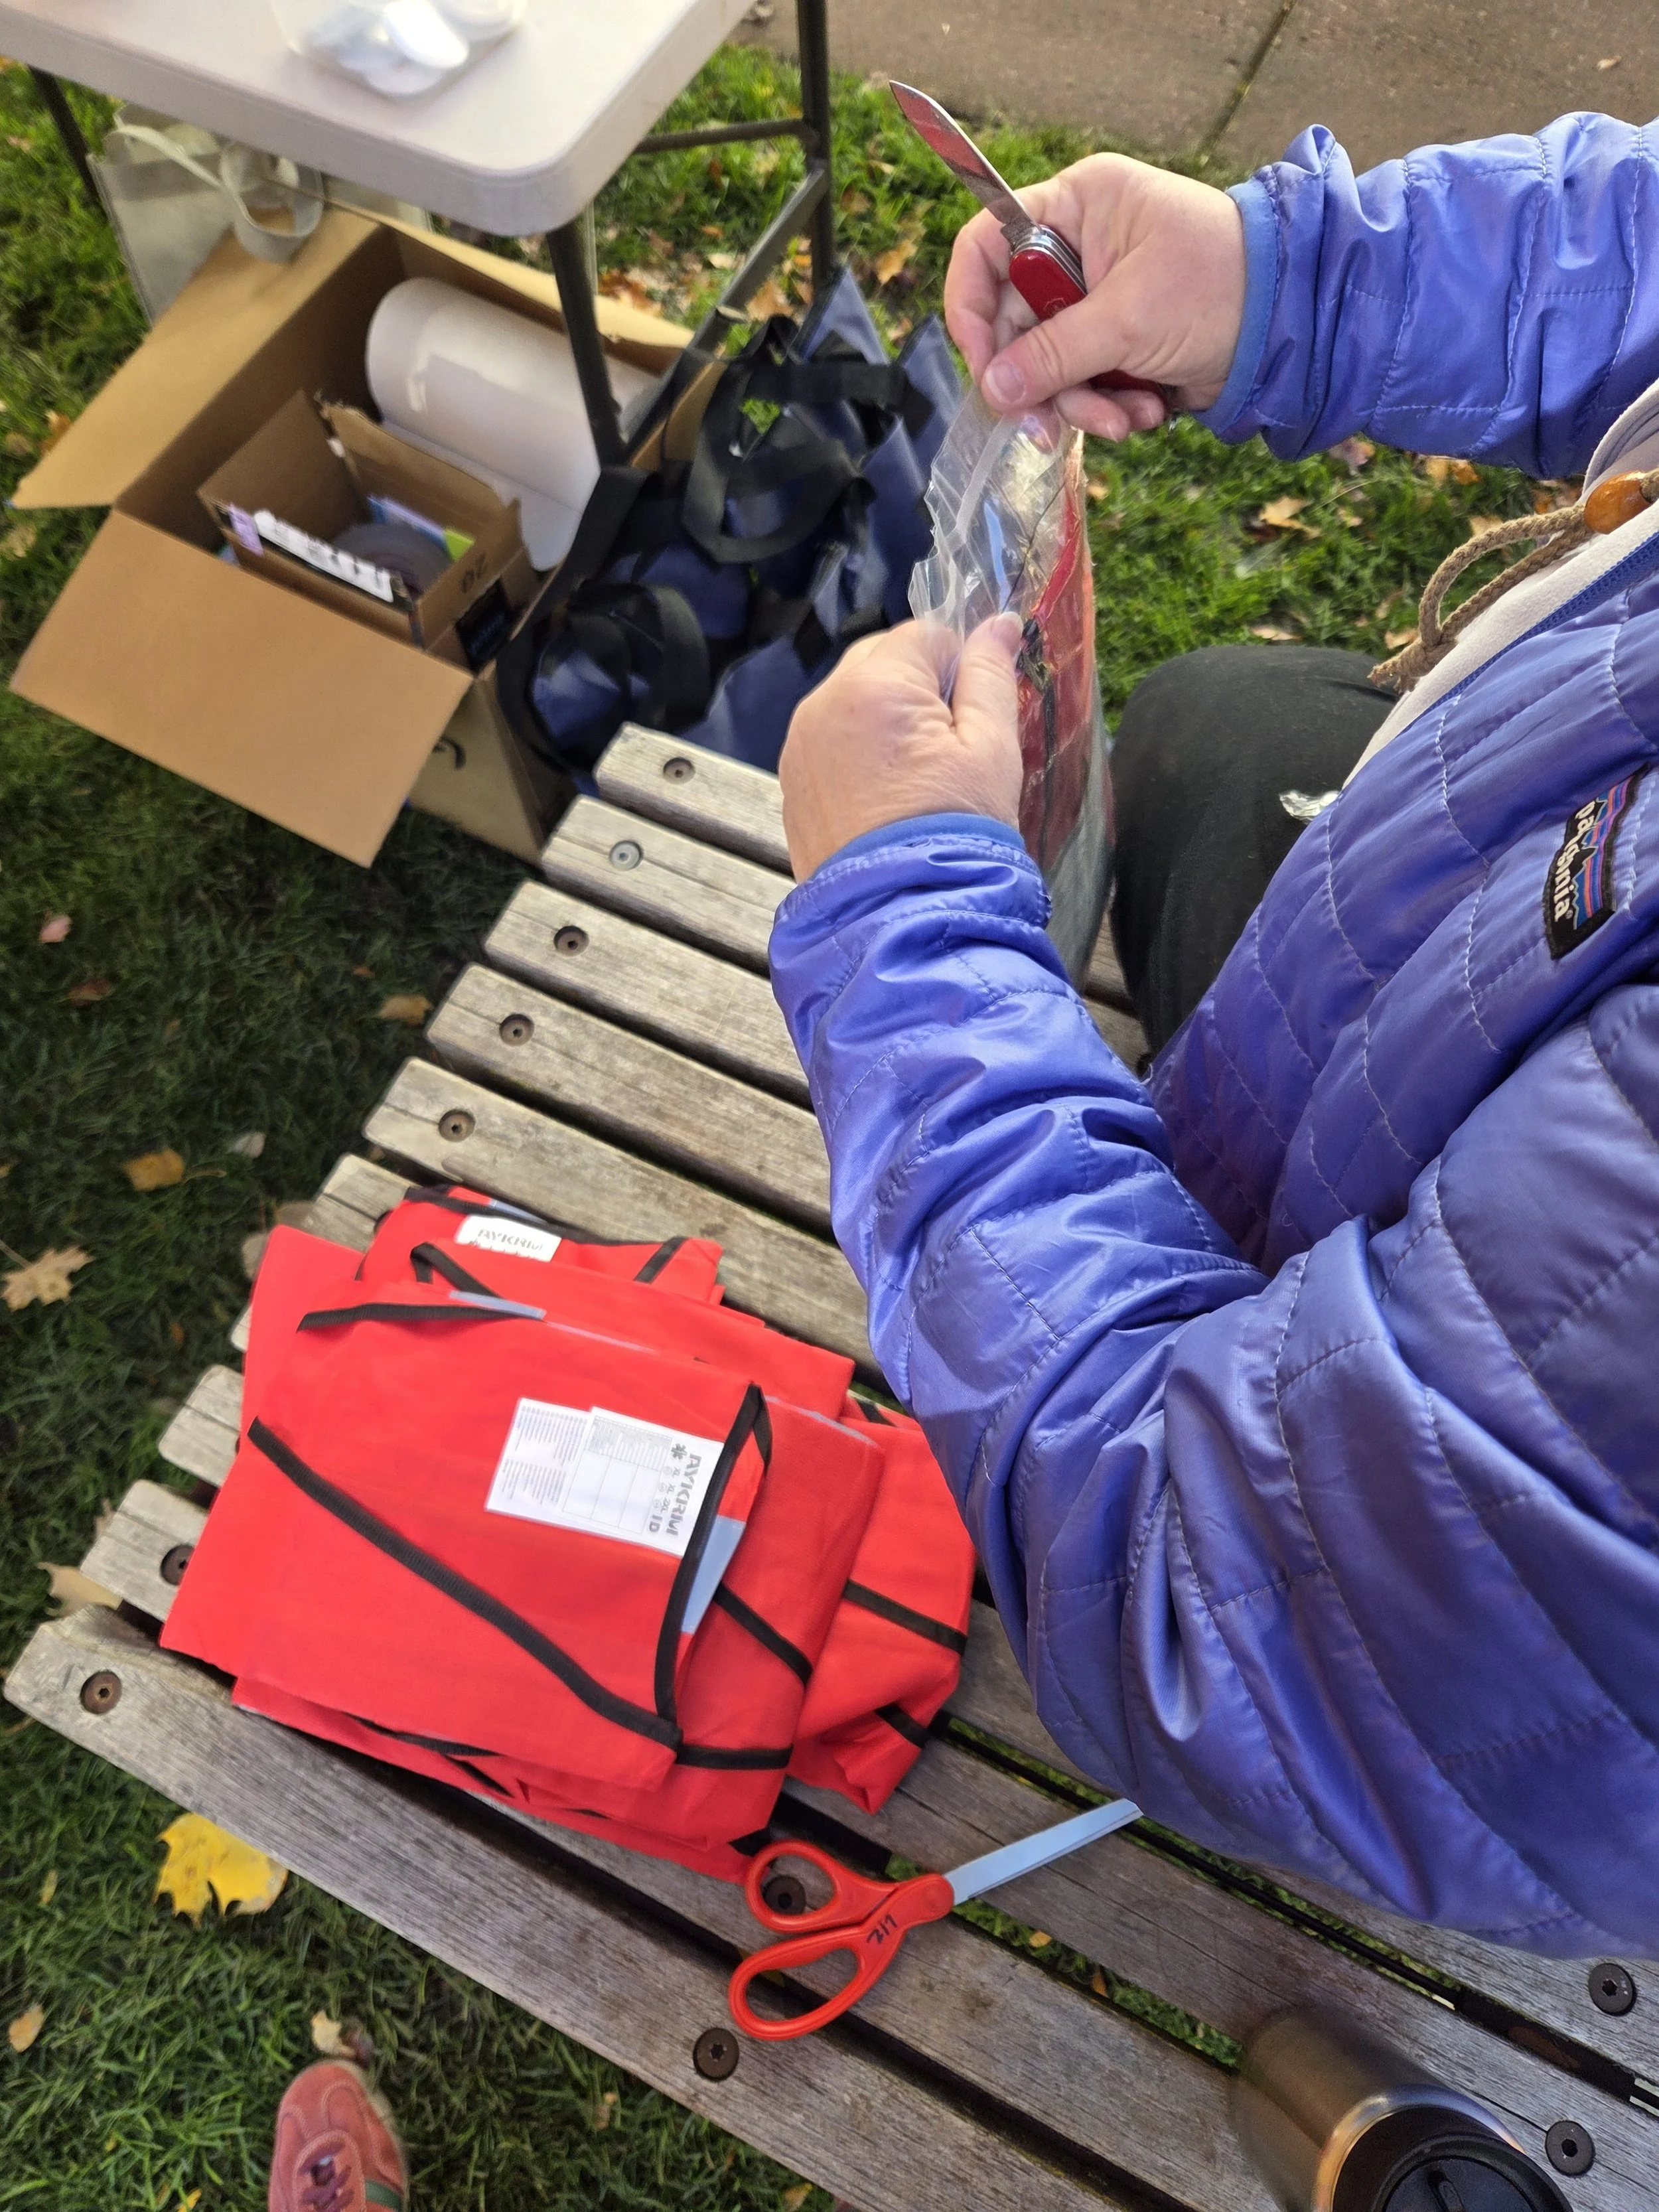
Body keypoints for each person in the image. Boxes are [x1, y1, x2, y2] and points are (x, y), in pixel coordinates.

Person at [769, 113, 1659, 1958]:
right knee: (1211, 727)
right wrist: (1291, 282)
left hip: (1371, 1609)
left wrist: (900, 924)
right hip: (1441, 969)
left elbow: (1196, 1589)